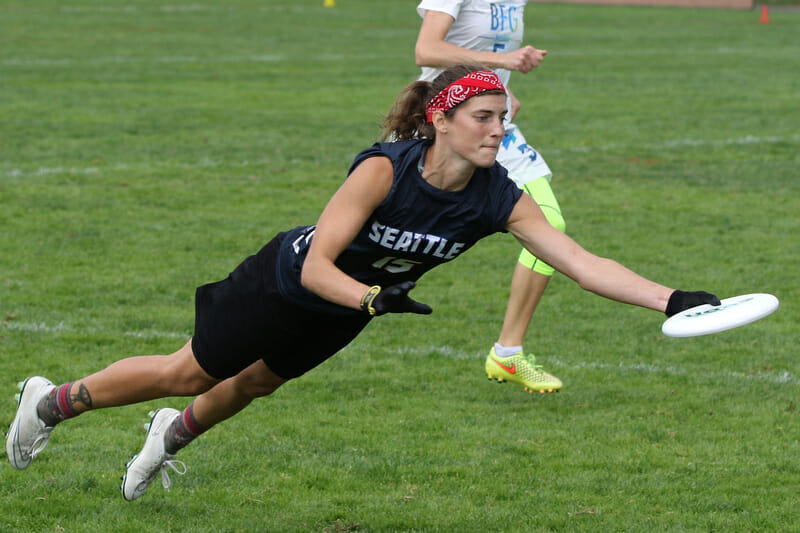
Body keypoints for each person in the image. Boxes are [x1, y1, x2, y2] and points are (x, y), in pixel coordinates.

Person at [6, 65, 720, 501]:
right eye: (483, 116)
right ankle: (50, 403)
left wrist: (671, 298)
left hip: (357, 306)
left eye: (503, 118)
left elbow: (578, 259)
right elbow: (320, 263)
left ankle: (169, 438)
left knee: (257, 385)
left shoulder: (501, 196)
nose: (497, 130)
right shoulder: (385, 167)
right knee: (188, 369)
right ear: (441, 118)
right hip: (287, 281)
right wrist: (367, 298)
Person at [415, 0, 565, 393]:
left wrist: (502, 91)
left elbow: (489, 63)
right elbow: (427, 49)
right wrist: (505, 60)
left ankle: (508, 352)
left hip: (495, 130)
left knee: (549, 223)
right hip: (442, 127)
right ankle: (318, 286)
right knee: (397, 234)